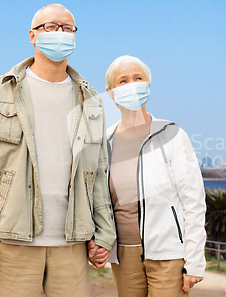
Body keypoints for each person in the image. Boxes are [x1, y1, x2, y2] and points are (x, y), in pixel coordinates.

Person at [0, 3, 115, 297]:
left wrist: (104, 234)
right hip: (11, 244)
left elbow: (98, 173)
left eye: (68, 28)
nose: (60, 33)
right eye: (51, 27)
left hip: (73, 245)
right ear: (33, 35)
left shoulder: (91, 100)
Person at [89, 55, 206, 296]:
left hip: (168, 254)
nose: (132, 84)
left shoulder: (171, 134)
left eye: (138, 78)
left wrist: (194, 261)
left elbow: (193, 202)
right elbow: (97, 202)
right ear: (110, 93)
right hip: (124, 255)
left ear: (148, 85)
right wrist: (97, 242)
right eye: (123, 81)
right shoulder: (103, 142)